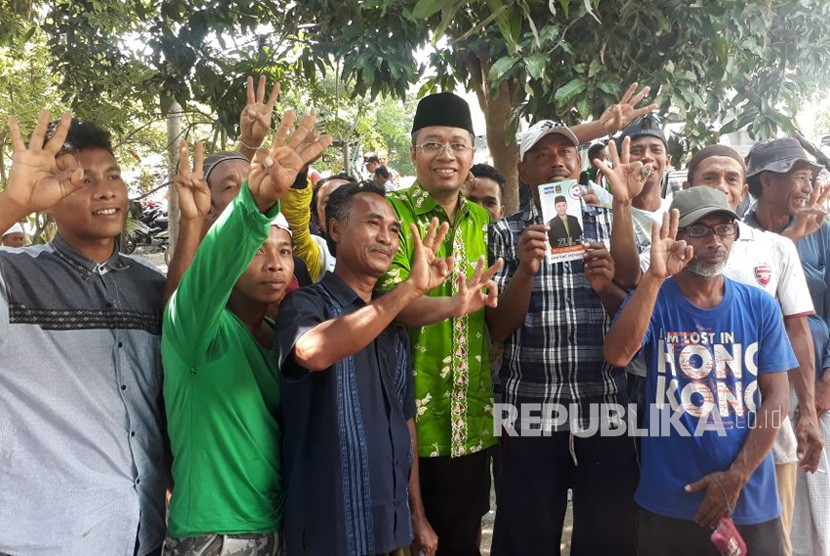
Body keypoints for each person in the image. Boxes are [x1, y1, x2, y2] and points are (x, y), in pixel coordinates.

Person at [162, 107, 330, 554]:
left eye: (284, 251)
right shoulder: (198, 329)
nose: (275, 263)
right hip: (215, 533)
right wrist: (254, 198)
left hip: (277, 524)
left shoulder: (278, 331)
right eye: (258, 251)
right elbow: (211, 264)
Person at [0, 113, 167, 555]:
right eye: (83, 180)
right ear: (49, 199)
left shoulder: (151, 287)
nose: (106, 189)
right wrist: (14, 202)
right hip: (47, 538)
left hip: (141, 533)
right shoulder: (13, 277)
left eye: (113, 175)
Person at [606, 187, 794, 555]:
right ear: (675, 238)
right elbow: (617, 354)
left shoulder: (759, 306)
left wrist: (736, 475)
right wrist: (654, 278)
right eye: (699, 230)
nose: (714, 241)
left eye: (724, 229)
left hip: (750, 495)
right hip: (670, 498)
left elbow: (777, 396)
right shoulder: (655, 299)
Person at [488, 122, 640, 555]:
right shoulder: (504, 233)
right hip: (530, 403)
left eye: (565, 153)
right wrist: (524, 270)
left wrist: (607, 285)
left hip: (604, 400)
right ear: (523, 169)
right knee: (526, 530)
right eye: (542, 155)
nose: (556, 161)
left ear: (578, 164)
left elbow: (633, 298)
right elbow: (498, 329)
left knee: (608, 532)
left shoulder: (608, 221)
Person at [275, 182, 446, 555]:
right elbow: (313, 351)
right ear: (335, 230)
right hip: (330, 533)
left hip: (392, 530)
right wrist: (408, 292)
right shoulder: (304, 304)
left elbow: (405, 422)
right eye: (373, 224)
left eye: (394, 230)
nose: (386, 237)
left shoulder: (392, 327)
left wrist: (417, 515)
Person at [681, 144, 824, 556]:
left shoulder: (775, 248)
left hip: (767, 427)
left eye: (731, 179)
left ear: (745, 190)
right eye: (710, 177)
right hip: (685, 431)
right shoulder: (668, 244)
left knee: (768, 543)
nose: (722, 186)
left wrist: (808, 412)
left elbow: (798, 329)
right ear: (690, 184)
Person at [743, 137, 830, 556]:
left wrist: (825, 384)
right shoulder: (735, 235)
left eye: (812, 177)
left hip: (817, 384)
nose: (809, 187)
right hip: (760, 390)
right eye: (800, 177)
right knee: (768, 509)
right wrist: (792, 237)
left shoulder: (824, 231)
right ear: (766, 182)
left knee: (813, 508)